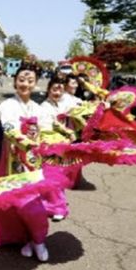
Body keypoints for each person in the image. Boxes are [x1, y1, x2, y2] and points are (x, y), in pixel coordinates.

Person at [0, 64, 52, 262]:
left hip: (32, 158)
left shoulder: (38, 108)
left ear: (36, 84)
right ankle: (12, 237)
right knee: (7, 199)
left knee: (31, 200)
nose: (25, 84)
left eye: (30, 80)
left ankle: (34, 238)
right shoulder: (6, 105)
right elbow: (9, 128)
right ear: (15, 81)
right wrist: (26, 143)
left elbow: (47, 129)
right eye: (22, 79)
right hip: (9, 158)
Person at [39, 75, 79, 221]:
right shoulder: (44, 107)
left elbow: (79, 108)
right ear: (48, 90)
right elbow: (45, 129)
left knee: (58, 176)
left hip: (62, 146)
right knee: (51, 176)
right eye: (54, 89)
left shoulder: (63, 104)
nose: (57, 92)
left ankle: (55, 205)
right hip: (49, 145)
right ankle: (55, 206)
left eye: (60, 89)